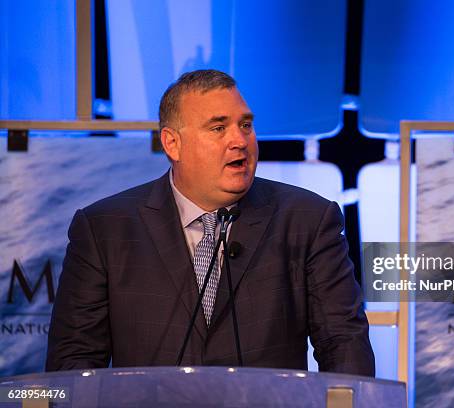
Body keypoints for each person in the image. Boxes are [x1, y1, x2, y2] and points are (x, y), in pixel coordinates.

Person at [46, 69, 375, 376]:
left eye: (245, 125)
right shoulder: (106, 229)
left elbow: (343, 345)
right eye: (218, 128)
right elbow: (75, 360)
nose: (239, 141)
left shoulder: (308, 220)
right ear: (172, 143)